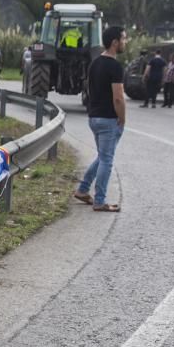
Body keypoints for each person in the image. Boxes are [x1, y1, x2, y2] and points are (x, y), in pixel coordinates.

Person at [73, 25, 127, 212]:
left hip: (94, 117)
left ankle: (82, 190)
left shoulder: (94, 63)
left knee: (103, 157)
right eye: (123, 39)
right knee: (107, 160)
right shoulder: (115, 66)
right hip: (108, 119)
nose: (125, 43)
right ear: (115, 42)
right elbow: (118, 97)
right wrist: (122, 118)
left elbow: (89, 90)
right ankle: (100, 200)